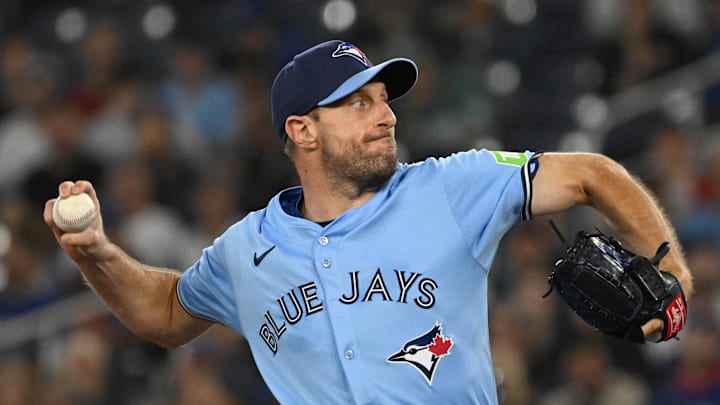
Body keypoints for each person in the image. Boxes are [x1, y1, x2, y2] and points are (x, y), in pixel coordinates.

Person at [43, 40, 694, 404]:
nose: (385, 116)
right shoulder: (246, 250)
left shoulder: (449, 186)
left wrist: (670, 268)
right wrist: (96, 254)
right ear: (303, 130)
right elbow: (163, 311)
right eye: (358, 104)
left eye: (384, 101)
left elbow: (589, 173)